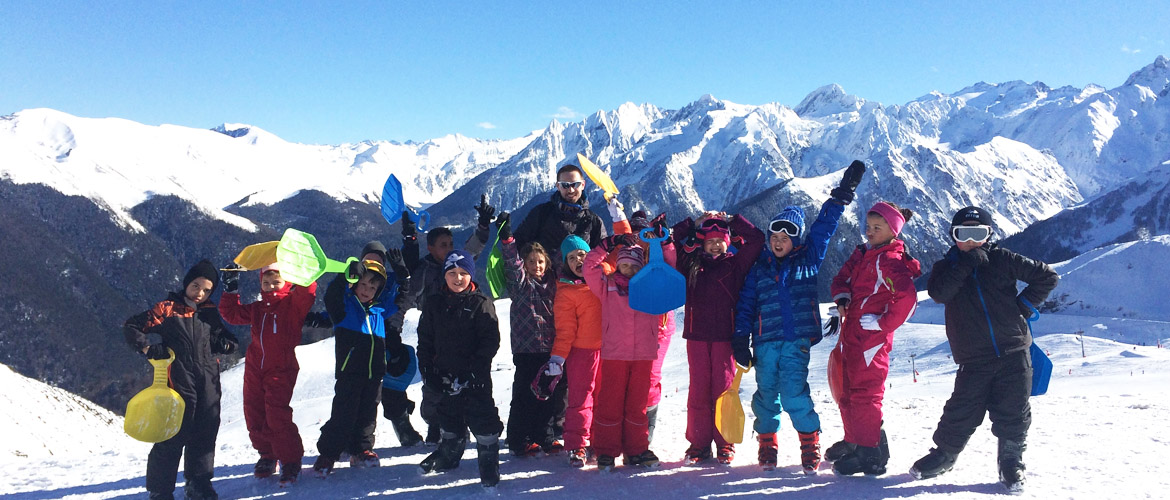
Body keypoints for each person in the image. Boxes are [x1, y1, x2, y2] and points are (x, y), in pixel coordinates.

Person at [910, 206, 1059, 493]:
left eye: (977, 234)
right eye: (962, 234)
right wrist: (966, 264)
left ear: (989, 235)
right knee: (962, 408)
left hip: (1014, 350)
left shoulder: (1002, 259)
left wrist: (1024, 306)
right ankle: (945, 454)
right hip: (973, 357)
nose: (970, 241)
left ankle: (1011, 460)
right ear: (953, 236)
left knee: (1014, 411)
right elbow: (940, 293)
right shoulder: (946, 268)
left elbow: (1047, 277)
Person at [733, 160, 865, 473]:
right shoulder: (759, 270)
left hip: (796, 342)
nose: (779, 241)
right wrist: (740, 337)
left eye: (786, 237)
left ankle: (809, 440)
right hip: (764, 342)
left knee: (794, 392)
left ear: (797, 240)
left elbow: (824, 229)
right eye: (774, 236)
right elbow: (746, 304)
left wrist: (840, 198)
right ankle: (767, 441)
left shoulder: (808, 260)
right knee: (766, 394)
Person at [123, 259, 239, 500]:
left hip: (208, 380)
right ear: (187, 283)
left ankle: (198, 484)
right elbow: (132, 326)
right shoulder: (167, 309)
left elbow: (224, 336)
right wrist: (148, 350)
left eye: (207, 290)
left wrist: (226, 343)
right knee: (172, 433)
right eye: (196, 286)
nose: (200, 293)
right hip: (178, 379)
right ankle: (160, 491)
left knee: (205, 432)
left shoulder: (208, 311)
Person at [827, 201, 922, 476]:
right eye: (868, 227)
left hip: (871, 341)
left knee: (865, 394)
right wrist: (843, 296)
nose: (870, 232)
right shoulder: (865, 254)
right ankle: (854, 439)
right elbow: (841, 277)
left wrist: (883, 324)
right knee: (845, 388)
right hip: (852, 331)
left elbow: (908, 299)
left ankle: (871, 453)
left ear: (892, 231)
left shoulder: (889, 260)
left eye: (877, 228)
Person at [673, 211, 765, 465]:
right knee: (699, 392)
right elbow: (672, 240)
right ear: (702, 242)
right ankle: (699, 443)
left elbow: (757, 239)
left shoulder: (735, 265)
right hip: (698, 336)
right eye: (709, 240)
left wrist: (734, 220)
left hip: (726, 336)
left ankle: (725, 443)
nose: (714, 244)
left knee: (723, 390)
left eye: (720, 239)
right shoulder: (691, 264)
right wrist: (692, 223)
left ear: (728, 241)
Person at [398, 197, 493, 444]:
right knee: (434, 388)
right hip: (437, 333)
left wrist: (483, 225)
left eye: (450, 243)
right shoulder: (425, 271)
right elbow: (407, 295)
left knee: (467, 385)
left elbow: (475, 247)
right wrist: (394, 325)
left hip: (464, 332)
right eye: (443, 245)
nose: (449, 248)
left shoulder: (459, 263)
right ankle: (435, 426)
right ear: (430, 248)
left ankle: (464, 427)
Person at [312, 245, 410, 477]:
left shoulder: (379, 311)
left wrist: (403, 276)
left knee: (368, 413)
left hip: (375, 372)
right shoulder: (345, 309)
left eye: (373, 287)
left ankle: (362, 450)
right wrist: (343, 276)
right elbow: (331, 296)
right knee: (344, 414)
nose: (367, 290)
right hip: (350, 371)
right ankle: (328, 453)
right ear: (355, 284)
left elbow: (402, 298)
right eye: (363, 285)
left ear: (378, 290)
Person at [582, 232, 675, 470]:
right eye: (623, 265)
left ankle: (636, 449)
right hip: (615, 354)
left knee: (637, 406)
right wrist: (606, 245)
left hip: (644, 354)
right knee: (610, 403)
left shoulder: (650, 287)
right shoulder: (607, 285)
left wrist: (664, 243)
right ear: (617, 264)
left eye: (634, 267)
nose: (628, 270)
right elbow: (589, 266)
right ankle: (606, 451)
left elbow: (670, 267)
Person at [218, 262, 317, 486]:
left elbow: (307, 293)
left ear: (287, 283)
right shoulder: (257, 309)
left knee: (276, 414)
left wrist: (303, 270)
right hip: (255, 366)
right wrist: (230, 289)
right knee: (254, 411)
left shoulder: (292, 306)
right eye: (266, 283)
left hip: (280, 368)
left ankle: (290, 460)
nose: (271, 287)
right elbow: (231, 314)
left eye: (276, 282)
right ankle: (267, 454)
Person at [417, 250, 505, 487]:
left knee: (482, 417)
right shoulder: (434, 303)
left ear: (472, 276)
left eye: (464, 273)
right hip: (444, 374)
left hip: (475, 377)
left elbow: (490, 341)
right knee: (447, 416)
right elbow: (424, 340)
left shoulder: (481, 304)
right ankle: (450, 452)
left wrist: (476, 369)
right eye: (452, 273)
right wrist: (428, 371)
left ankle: (488, 462)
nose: (458, 278)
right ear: (444, 275)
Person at [495, 211, 565, 456]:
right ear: (525, 264)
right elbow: (512, 265)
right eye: (532, 262)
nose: (537, 266)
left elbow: (563, 258)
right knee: (524, 395)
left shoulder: (553, 285)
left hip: (549, 348)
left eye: (540, 262)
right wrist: (508, 241)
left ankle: (544, 437)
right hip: (526, 349)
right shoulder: (521, 285)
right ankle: (518, 439)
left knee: (547, 394)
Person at [549, 235, 603, 467]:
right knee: (581, 400)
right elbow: (565, 330)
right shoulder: (566, 291)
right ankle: (577, 444)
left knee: (604, 398)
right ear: (566, 264)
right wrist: (558, 357)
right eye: (571, 257)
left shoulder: (604, 278)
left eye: (581, 254)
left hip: (608, 351)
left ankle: (599, 440)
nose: (577, 260)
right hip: (582, 352)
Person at [513, 164, 608, 265]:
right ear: (558, 186)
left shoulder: (592, 221)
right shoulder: (542, 213)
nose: (570, 190)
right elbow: (518, 244)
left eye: (575, 184)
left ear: (583, 185)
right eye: (565, 185)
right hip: (546, 279)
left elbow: (603, 256)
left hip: (581, 279)